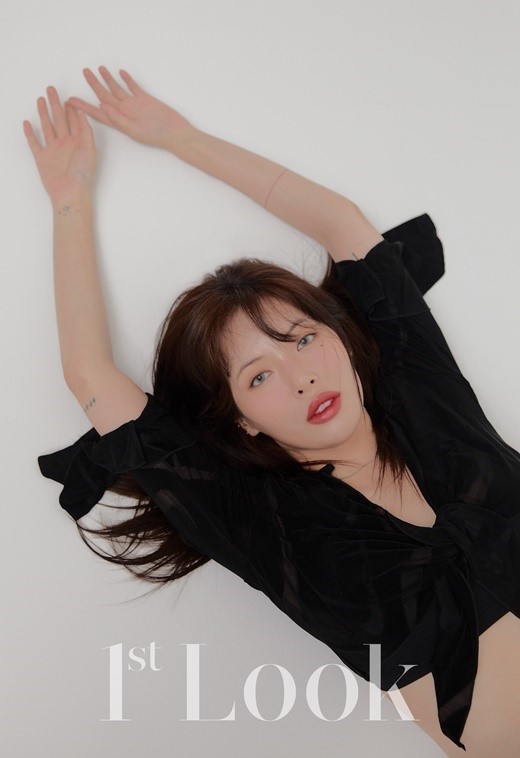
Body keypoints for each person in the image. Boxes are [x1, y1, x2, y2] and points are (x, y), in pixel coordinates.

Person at [24, 67, 520, 757]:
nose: (300, 375)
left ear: (340, 337)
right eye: (259, 375)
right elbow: (90, 375)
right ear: (242, 419)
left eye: (302, 338)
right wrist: (69, 201)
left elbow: (343, 225)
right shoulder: (258, 516)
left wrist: (181, 139)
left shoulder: (424, 394)